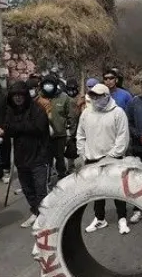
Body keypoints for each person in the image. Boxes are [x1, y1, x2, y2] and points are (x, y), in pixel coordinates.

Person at [77, 84, 132, 234]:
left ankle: (122, 218)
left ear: (107, 96)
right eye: (93, 96)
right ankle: (100, 218)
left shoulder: (118, 113)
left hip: (113, 158)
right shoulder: (86, 113)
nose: (96, 99)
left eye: (99, 96)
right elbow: (80, 135)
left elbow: (122, 137)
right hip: (92, 159)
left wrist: (112, 156)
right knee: (96, 191)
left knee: (117, 189)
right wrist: (83, 153)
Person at [3, 81, 51, 229]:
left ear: (25, 96)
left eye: (20, 95)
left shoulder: (37, 109)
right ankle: (36, 212)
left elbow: (38, 128)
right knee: (27, 189)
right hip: (21, 157)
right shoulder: (10, 111)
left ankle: (44, 216)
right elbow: (8, 129)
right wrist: (20, 128)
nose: (17, 98)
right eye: (14, 95)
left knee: (40, 189)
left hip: (38, 155)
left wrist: (18, 127)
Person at [36, 74, 75, 182]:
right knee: (46, 159)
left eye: (50, 84)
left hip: (60, 135)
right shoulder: (38, 98)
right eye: (45, 84)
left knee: (60, 158)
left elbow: (71, 116)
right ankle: (46, 180)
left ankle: (62, 178)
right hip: (43, 136)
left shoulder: (64, 97)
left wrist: (70, 133)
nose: (48, 86)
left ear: (55, 85)